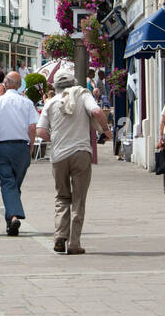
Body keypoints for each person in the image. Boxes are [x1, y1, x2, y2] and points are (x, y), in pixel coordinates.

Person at [37, 69, 110, 255]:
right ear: (73, 84)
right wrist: (106, 130)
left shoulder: (50, 102)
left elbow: (40, 131)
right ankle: (74, 243)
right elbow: (97, 111)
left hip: (59, 155)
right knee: (79, 199)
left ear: (56, 86)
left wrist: (55, 139)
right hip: (81, 152)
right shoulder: (82, 95)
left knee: (62, 197)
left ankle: (60, 236)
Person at [0, 71, 38, 235]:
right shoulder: (27, 103)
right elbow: (32, 127)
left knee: (8, 183)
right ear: (18, 85)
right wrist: (30, 147)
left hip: (1, 146)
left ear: (6, 84)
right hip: (21, 147)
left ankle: (13, 217)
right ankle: (12, 220)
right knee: (14, 184)